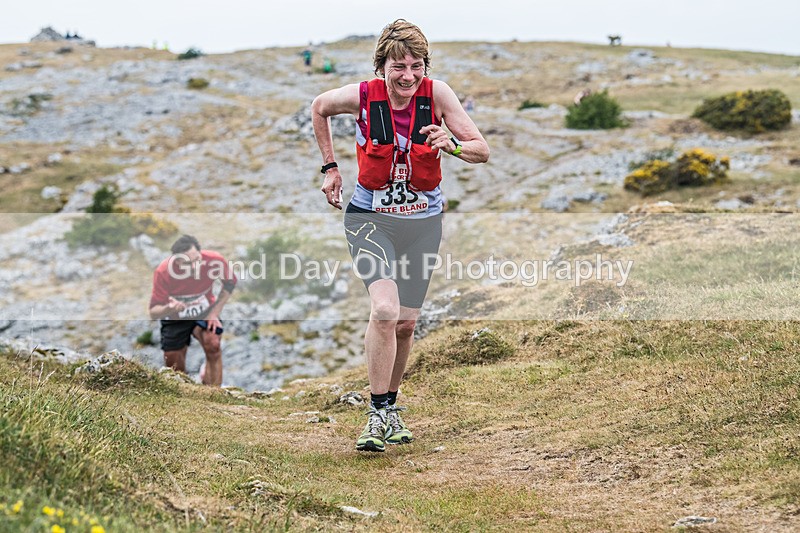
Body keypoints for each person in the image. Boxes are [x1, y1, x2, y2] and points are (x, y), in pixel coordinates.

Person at [311, 19, 489, 452]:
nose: (408, 76)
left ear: (425, 66)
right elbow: (319, 107)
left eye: (416, 66)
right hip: (370, 219)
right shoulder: (362, 95)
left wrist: (452, 144)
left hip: (423, 223)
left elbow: (481, 150)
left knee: (406, 325)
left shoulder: (438, 94)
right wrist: (331, 168)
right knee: (385, 310)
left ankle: (391, 406)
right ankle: (375, 414)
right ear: (382, 67)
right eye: (398, 67)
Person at [148, 235, 237, 386]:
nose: (195, 266)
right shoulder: (163, 272)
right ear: (177, 262)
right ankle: (185, 394)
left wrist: (214, 313)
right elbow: (153, 312)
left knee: (213, 343)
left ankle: (214, 393)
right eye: (188, 264)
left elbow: (230, 283)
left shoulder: (214, 261)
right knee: (174, 367)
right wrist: (169, 308)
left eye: (197, 259)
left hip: (204, 312)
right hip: (175, 319)